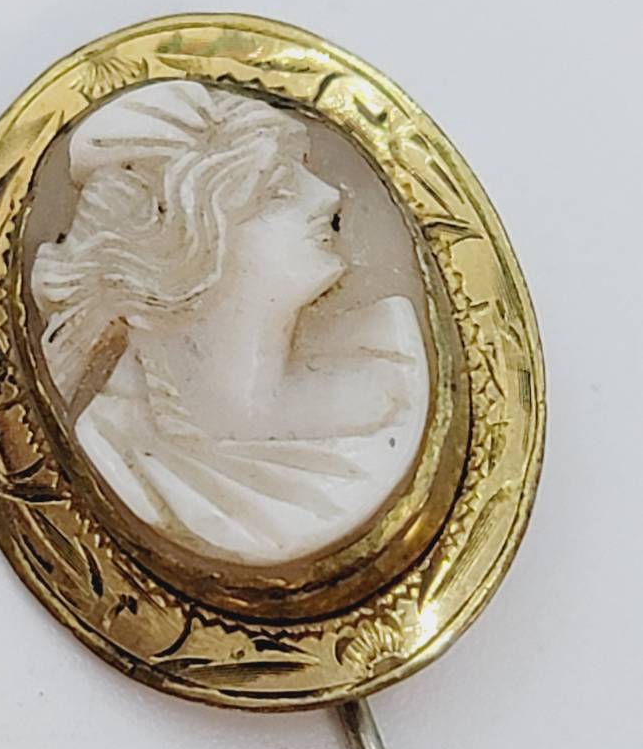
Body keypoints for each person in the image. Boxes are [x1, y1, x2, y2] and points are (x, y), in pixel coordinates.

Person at [31, 81, 428, 565]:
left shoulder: (394, 371)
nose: (328, 195)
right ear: (172, 248)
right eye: (277, 190)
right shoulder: (121, 460)